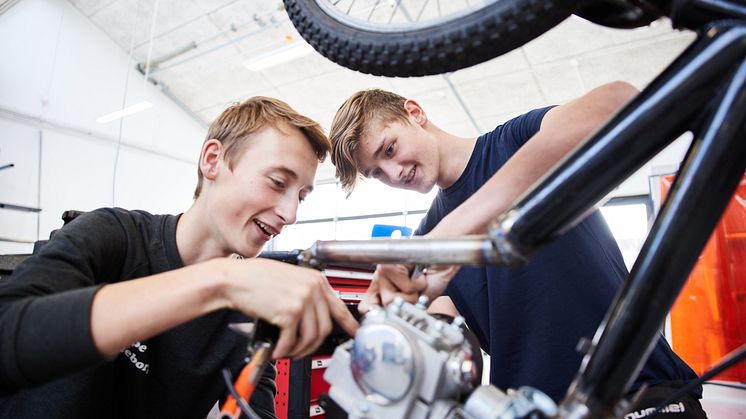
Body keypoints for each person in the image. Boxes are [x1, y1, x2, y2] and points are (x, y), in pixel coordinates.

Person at [328, 83, 707, 416]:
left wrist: (449, 233)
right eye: (377, 173)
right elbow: (451, 331)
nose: (394, 174)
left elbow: (618, 103)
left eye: (390, 149)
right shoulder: (428, 239)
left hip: (637, 393)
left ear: (415, 112)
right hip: (532, 410)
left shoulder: (515, 142)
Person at [0, 96, 359, 419]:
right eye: (278, 183)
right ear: (213, 160)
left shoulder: (248, 314)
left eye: (302, 196)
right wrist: (222, 282)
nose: (291, 213)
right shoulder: (114, 237)